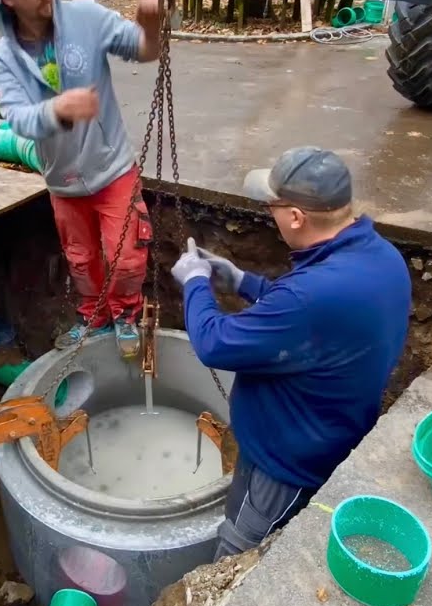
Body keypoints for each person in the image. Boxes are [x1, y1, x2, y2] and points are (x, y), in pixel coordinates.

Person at [170, 146, 412, 559]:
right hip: (330, 430)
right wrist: (243, 280)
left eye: (273, 205)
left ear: (296, 216)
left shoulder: (310, 296)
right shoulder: (379, 257)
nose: (270, 213)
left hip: (286, 462)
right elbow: (310, 319)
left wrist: (195, 282)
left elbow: (214, 342)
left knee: (241, 547)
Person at [0, 0, 163, 359]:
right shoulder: (4, 58)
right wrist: (58, 110)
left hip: (113, 168)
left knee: (126, 261)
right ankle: (95, 319)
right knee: (82, 262)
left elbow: (145, 49)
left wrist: (151, 24)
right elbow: (17, 120)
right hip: (62, 181)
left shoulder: (86, 18)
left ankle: (126, 315)